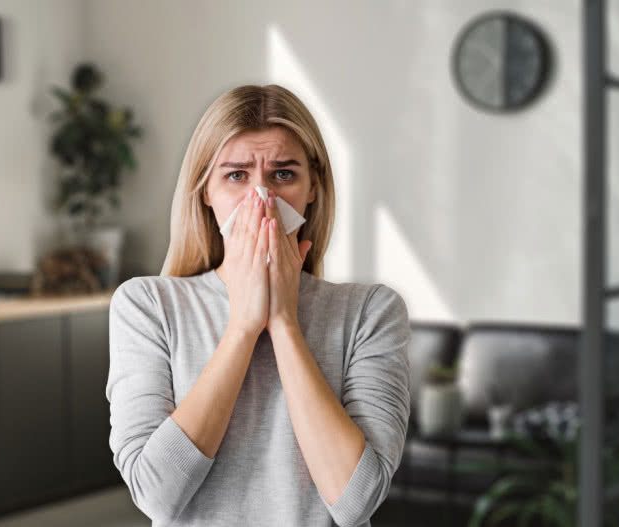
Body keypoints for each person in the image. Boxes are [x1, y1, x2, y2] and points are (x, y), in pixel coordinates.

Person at [105, 84, 410, 526]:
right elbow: (155, 495)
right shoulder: (148, 306)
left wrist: (284, 322)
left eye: (283, 174)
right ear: (205, 192)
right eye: (236, 175)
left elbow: (355, 502)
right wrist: (243, 327)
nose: (261, 198)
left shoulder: (371, 312)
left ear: (313, 189)